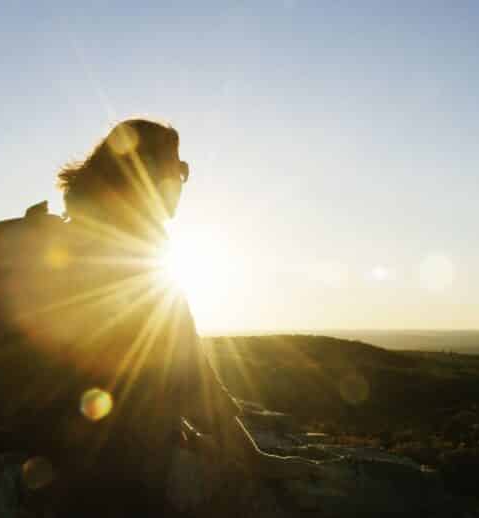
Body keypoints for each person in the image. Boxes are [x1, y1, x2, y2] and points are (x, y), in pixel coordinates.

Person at [49, 118, 323, 504]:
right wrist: (252, 457)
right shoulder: (133, 251)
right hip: (111, 470)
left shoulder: (75, 235)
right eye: (177, 168)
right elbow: (190, 373)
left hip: (55, 450)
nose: (182, 180)